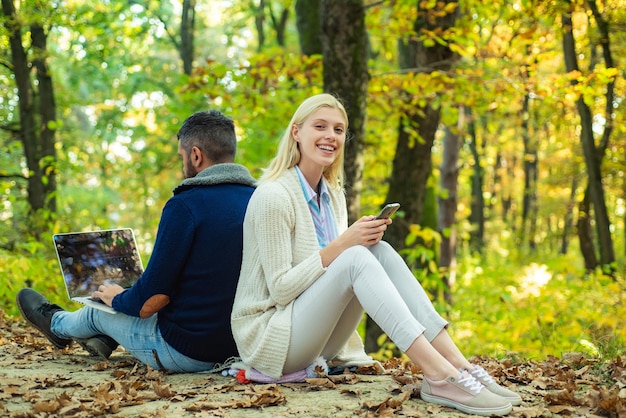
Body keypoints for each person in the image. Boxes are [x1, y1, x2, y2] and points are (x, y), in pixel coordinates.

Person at [230, 94, 521, 416]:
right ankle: (439, 375)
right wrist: (343, 244)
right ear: (296, 132)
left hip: (317, 341)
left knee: (375, 248)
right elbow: (281, 289)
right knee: (354, 255)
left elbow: (329, 274)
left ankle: (459, 365)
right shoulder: (273, 196)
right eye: (320, 126)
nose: (331, 136)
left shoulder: (332, 195)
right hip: (272, 340)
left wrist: (353, 242)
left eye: (339, 130)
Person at [17, 110, 256, 373]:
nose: (183, 164)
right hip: (243, 346)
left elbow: (149, 300)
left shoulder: (185, 205)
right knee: (121, 305)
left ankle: (56, 324)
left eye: (182, 157)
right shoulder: (259, 200)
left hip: (188, 352)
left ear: (196, 155)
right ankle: (104, 338)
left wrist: (117, 298)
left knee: (99, 309)